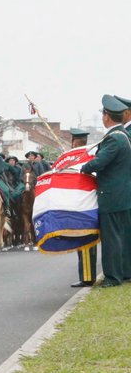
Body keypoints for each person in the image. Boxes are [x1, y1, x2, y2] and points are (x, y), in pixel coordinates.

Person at [80, 96, 131, 287]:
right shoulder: (123, 136)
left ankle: (112, 277)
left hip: (112, 196)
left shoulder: (114, 138)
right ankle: (124, 272)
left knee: (111, 238)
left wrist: (83, 167)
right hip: (122, 196)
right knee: (122, 236)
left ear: (106, 116)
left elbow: (100, 162)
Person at [67, 127, 96, 287]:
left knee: (84, 242)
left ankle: (87, 278)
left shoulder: (80, 159)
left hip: (83, 204)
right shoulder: (88, 156)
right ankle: (86, 276)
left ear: (74, 142)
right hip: (86, 202)